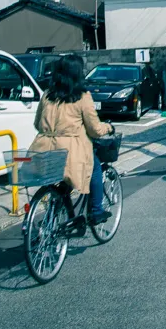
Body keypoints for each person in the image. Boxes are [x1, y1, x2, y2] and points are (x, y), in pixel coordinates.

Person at [28, 54, 114, 225]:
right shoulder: (82, 96)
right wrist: (108, 127)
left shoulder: (47, 95)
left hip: (43, 149)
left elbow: (37, 124)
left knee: (61, 181)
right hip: (71, 152)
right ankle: (97, 211)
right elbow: (95, 130)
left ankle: (65, 214)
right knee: (95, 167)